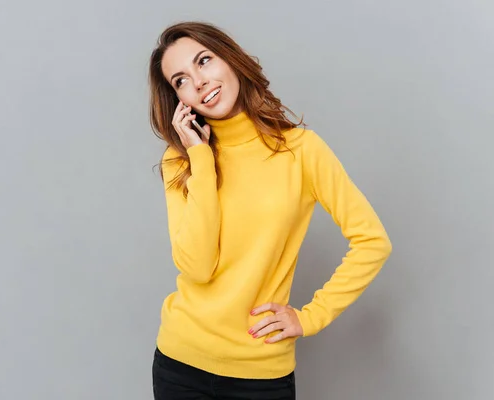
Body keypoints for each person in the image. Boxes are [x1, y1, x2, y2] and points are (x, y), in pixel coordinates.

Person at [147, 21, 392, 400]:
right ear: (178, 98)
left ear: (230, 58)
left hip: (260, 375)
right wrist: (201, 158)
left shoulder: (301, 151)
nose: (198, 81)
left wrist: (311, 317)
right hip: (180, 364)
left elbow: (373, 242)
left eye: (204, 61)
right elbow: (197, 266)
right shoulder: (181, 162)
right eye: (180, 80)